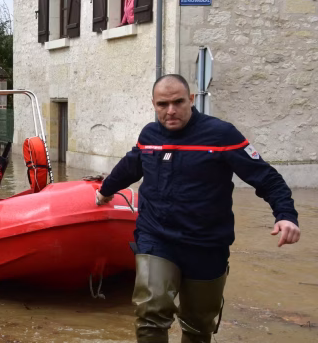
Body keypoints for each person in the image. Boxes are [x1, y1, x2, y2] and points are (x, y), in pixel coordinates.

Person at [96, 74, 300, 343]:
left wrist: (286, 215)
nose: (171, 110)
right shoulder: (149, 135)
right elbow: (130, 167)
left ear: (191, 100)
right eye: (163, 104)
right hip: (156, 237)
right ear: (154, 104)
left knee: (198, 326)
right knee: (151, 314)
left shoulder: (222, 135)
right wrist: (105, 191)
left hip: (207, 243)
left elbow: (266, 177)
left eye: (178, 102)